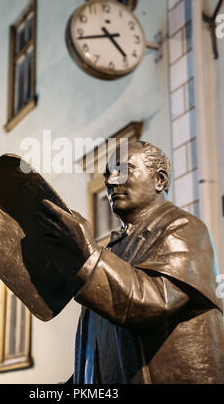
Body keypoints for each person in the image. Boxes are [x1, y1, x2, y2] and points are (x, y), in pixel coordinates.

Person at [39, 141, 224, 384]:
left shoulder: (182, 228)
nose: (111, 181)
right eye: (107, 174)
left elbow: (153, 302)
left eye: (124, 170)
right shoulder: (112, 252)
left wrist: (87, 253)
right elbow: (97, 348)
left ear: (159, 179)